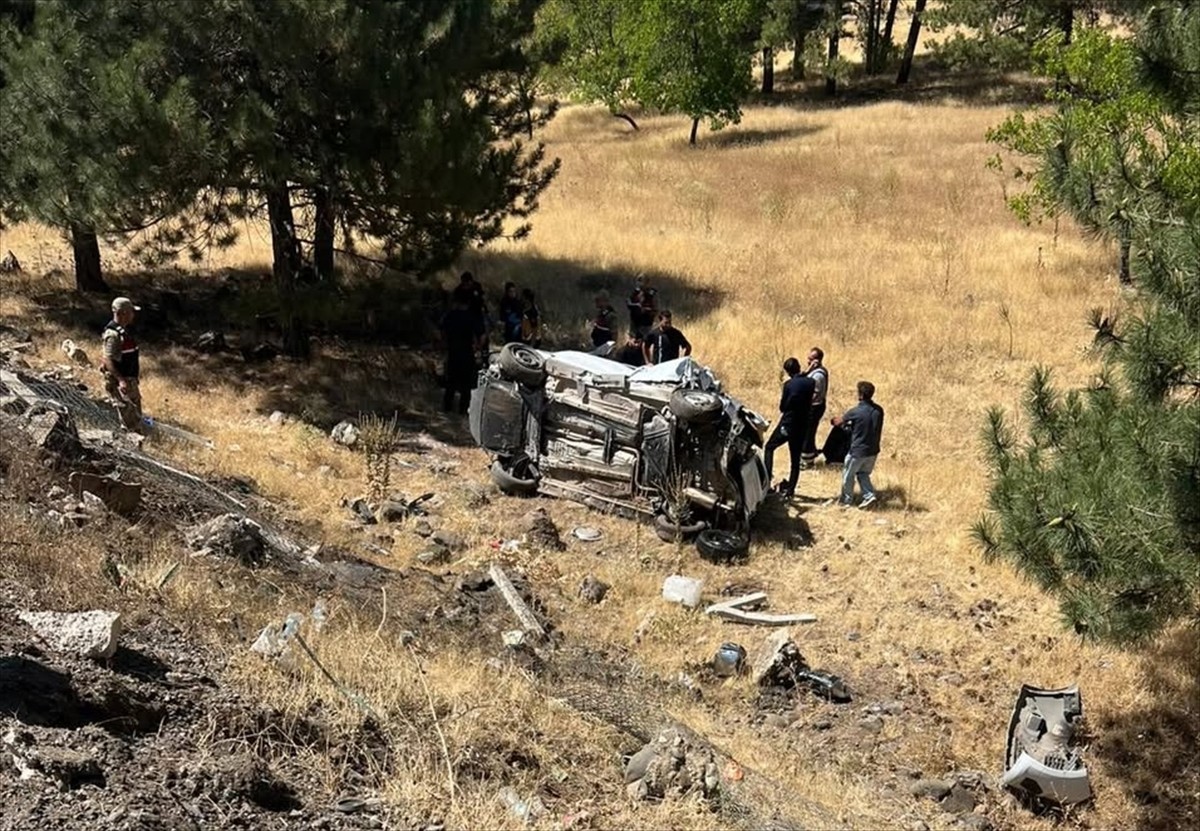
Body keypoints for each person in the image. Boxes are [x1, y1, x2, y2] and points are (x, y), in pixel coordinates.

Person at [763, 358, 815, 498]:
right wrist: (808, 371)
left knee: (769, 447)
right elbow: (802, 380)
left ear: (787, 371)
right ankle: (791, 490)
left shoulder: (788, 385)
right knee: (795, 460)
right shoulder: (811, 382)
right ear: (799, 367)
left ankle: (766, 481)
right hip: (802, 425)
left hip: (788, 423)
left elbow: (783, 407)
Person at [831, 381, 885, 508]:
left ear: (860, 395)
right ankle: (869, 495)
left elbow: (839, 422)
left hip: (857, 451)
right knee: (863, 473)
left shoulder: (855, 411)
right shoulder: (879, 410)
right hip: (873, 450)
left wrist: (834, 421)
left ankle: (846, 501)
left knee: (848, 475)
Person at [101, 297, 144, 432]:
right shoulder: (113, 335)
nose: (133, 315)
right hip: (122, 382)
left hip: (130, 380)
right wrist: (121, 381)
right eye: (131, 311)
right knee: (129, 420)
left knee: (136, 415)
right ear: (123, 313)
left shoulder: (123, 332)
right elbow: (108, 359)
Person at [439, 294, 485, 414]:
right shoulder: (472, 317)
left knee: (451, 382)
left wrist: (444, 345)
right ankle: (463, 409)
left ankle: (447, 407)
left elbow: (442, 331)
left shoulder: (450, 315)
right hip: (467, 353)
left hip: (453, 352)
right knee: (466, 384)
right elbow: (481, 335)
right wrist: (478, 349)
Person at [801, 347, 829, 467]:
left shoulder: (818, 376)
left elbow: (815, 394)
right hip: (813, 407)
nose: (808, 360)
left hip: (814, 408)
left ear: (817, 360)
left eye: (810, 359)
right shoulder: (813, 371)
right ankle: (811, 453)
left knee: (808, 433)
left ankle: (807, 461)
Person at [626, 273, 658, 339]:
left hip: (646, 324)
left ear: (647, 283)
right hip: (634, 323)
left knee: (645, 342)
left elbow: (655, 310)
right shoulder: (635, 292)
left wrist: (646, 310)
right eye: (639, 282)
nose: (640, 285)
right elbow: (628, 301)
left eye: (642, 282)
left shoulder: (652, 294)